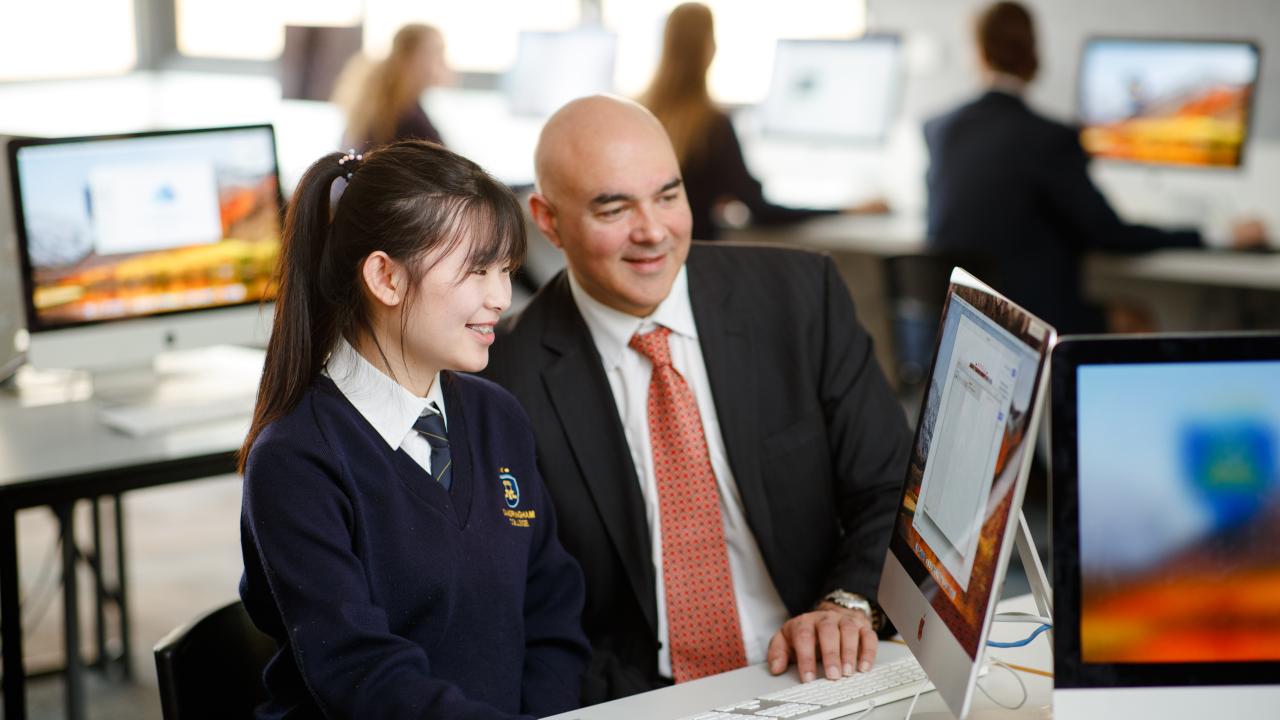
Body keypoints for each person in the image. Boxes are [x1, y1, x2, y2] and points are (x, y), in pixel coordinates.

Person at [482, 95, 911, 704]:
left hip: (819, 666)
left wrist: (848, 605)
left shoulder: (799, 298)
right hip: (638, 695)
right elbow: (513, 605)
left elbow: (891, 487)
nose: (653, 231)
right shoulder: (500, 378)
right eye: (614, 206)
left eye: (668, 195)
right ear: (547, 221)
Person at [238, 140, 589, 719]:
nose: (501, 297)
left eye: (506, 271)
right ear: (386, 277)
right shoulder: (297, 459)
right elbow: (362, 673)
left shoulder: (495, 415)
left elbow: (551, 608)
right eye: (477, 270)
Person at [924, 1, 1266, 334]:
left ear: (978, 54)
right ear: (1033, 55)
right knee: (1136, 319)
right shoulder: (1049, 139)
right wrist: (1215, 236)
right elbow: (1111, 234)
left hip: (964, 322)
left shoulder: (939, 129)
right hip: (1031, 323)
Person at [638, 2, 887, 241]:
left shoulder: (640, 114)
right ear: (708, 48)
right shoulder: (711, 126)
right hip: (693, 260)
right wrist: (849, 210)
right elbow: (762, 212)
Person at [337, 24, 451, 150]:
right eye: (436, 52)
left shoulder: (386, 107)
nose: (443, 61)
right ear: (412, 58)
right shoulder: (406, 120)